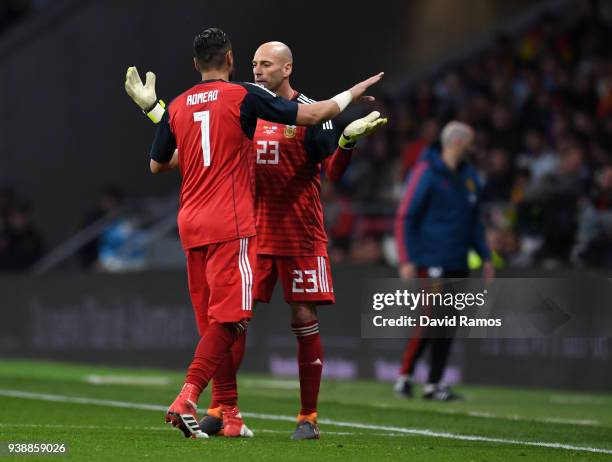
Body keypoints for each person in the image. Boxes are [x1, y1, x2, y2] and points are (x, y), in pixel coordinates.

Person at [125, 28, 383, 438]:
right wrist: (352, 93)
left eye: (266, 64)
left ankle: (304, 417)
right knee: (232, 320)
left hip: (293, 232)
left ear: (287, 67)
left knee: (277, 318)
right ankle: (220, 405)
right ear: (230, 60)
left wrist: (347, 142)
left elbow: (168, 156)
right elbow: (192, 143)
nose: (258, 70)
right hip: (245, 230)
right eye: (253, 63)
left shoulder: (251, 104)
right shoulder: (247, 101)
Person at [394, 121, 494, 401]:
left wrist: (485, 256)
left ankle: (433, 383)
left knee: (449, 321)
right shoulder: (426, 172)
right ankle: (405, 376)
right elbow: (406, 216)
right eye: (471, 141)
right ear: (458, 142)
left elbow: (475, 222)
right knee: (433, 318)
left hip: (457, 259)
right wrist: (406, 258)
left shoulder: (470, 177)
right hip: (432, 259)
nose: (474, 147)